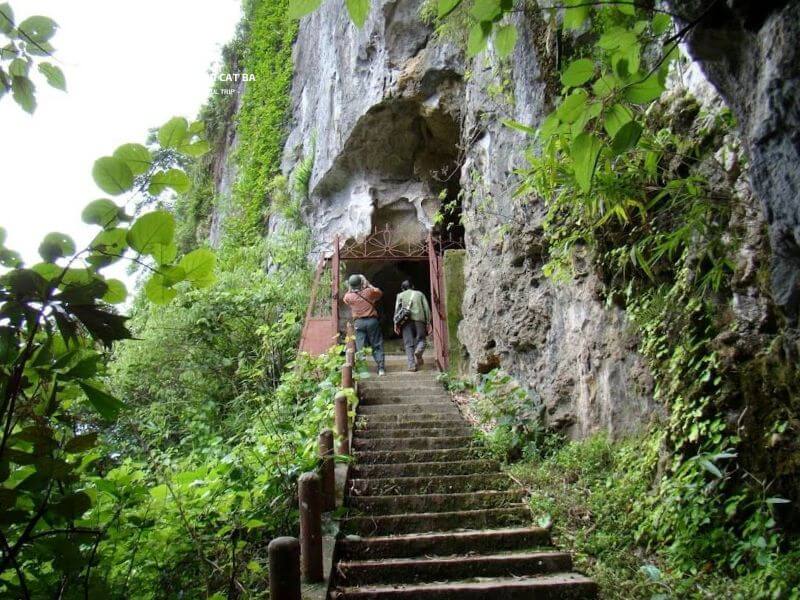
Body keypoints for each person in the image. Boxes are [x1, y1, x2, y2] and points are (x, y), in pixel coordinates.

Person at [343, 274, 386, 376]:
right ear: (361, 283)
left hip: (359, 323)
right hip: (372, 321)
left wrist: (351, 289)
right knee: (376, 344)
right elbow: (379, 293)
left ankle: (362, 370)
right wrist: (368, 284)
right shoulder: (369, 292)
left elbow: (345, 299)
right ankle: (381, 369)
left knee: (360, 346)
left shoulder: (349, 296)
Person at [394, 280, 432, 372]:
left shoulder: (400, 295)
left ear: (402, 288)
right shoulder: (419, 294)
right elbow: (426, 308)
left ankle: (411, 366)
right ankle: (418, 351)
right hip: (419, 320)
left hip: (405, 321)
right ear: (413, 286)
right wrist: (428, 322)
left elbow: (397, 311)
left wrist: (396, 324)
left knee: (408, 344)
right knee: (422, 339)